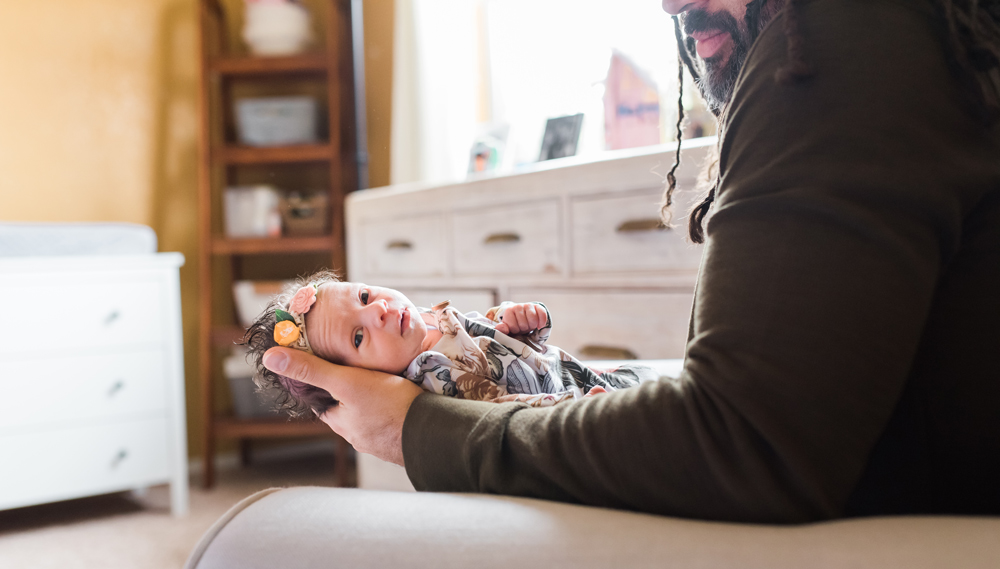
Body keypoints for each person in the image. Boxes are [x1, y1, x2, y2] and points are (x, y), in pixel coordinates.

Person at [262, 0, 1000, 522]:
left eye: (361, 298)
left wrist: (413, 434)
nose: (670, 6)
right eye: (355, 333)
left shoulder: (840, 36)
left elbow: (743, 445)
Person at [244, 271, 655, 416]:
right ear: (362, 379)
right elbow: (502, 410)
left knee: (658, 381)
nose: (379, 311)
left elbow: (502, 342)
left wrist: (522, 323)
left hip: (581, 376)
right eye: (358, 336)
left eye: (365, 297)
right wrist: (574, 408)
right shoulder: (430, 376)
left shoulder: (432, 317)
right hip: (569, 409)